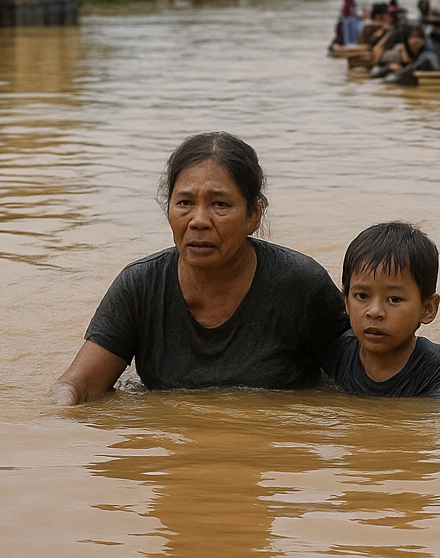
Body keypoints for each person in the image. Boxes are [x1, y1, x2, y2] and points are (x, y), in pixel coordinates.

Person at [50, 133, 348, 404]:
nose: (198, 220)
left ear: (254, 214)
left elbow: (363, 379)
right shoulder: (140, 286)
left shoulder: (301, 284)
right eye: (184, 203)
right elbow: (78, 386)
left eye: (220, 204)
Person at [323, 222, 440, 398]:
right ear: (346, 301)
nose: (375, 311)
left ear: (427, 309)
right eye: (362, 296)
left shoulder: (435, 366)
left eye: (394, 299)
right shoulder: (337, 354)